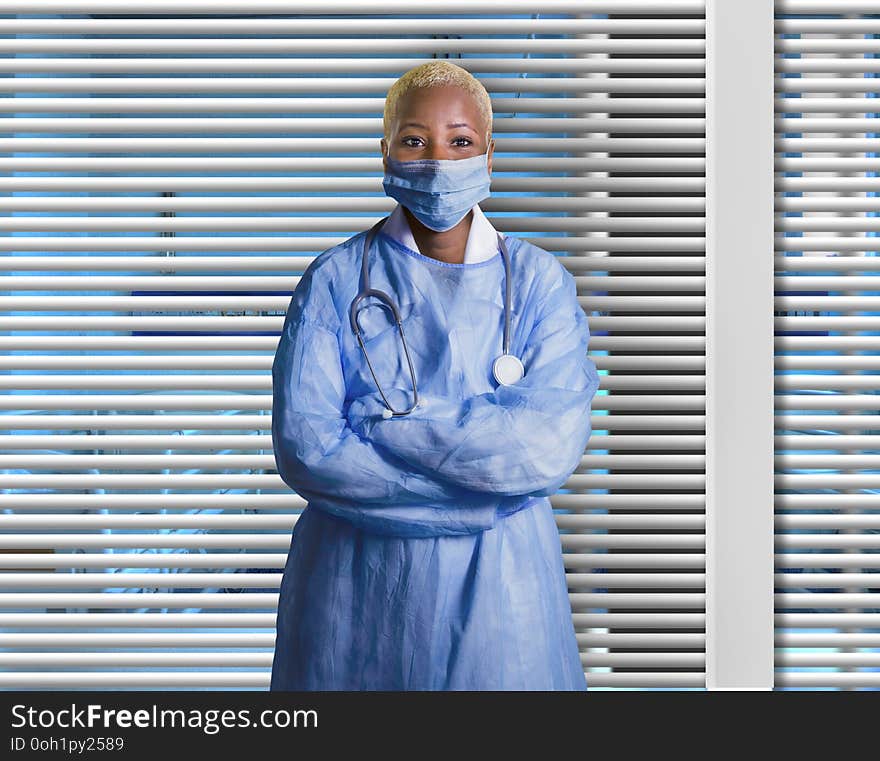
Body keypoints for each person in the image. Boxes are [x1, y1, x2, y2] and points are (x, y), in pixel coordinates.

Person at [269, 60, 600, 691]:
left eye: (461, 141)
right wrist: (480, 495)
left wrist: (383, 432)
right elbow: (309, 449)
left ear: (489, 155)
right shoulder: (334, 281)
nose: (438, 160)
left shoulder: (539, 285)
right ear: (385, 150)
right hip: (357, 592)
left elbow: (540, 451)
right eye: (415, 140)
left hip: (504, 593)